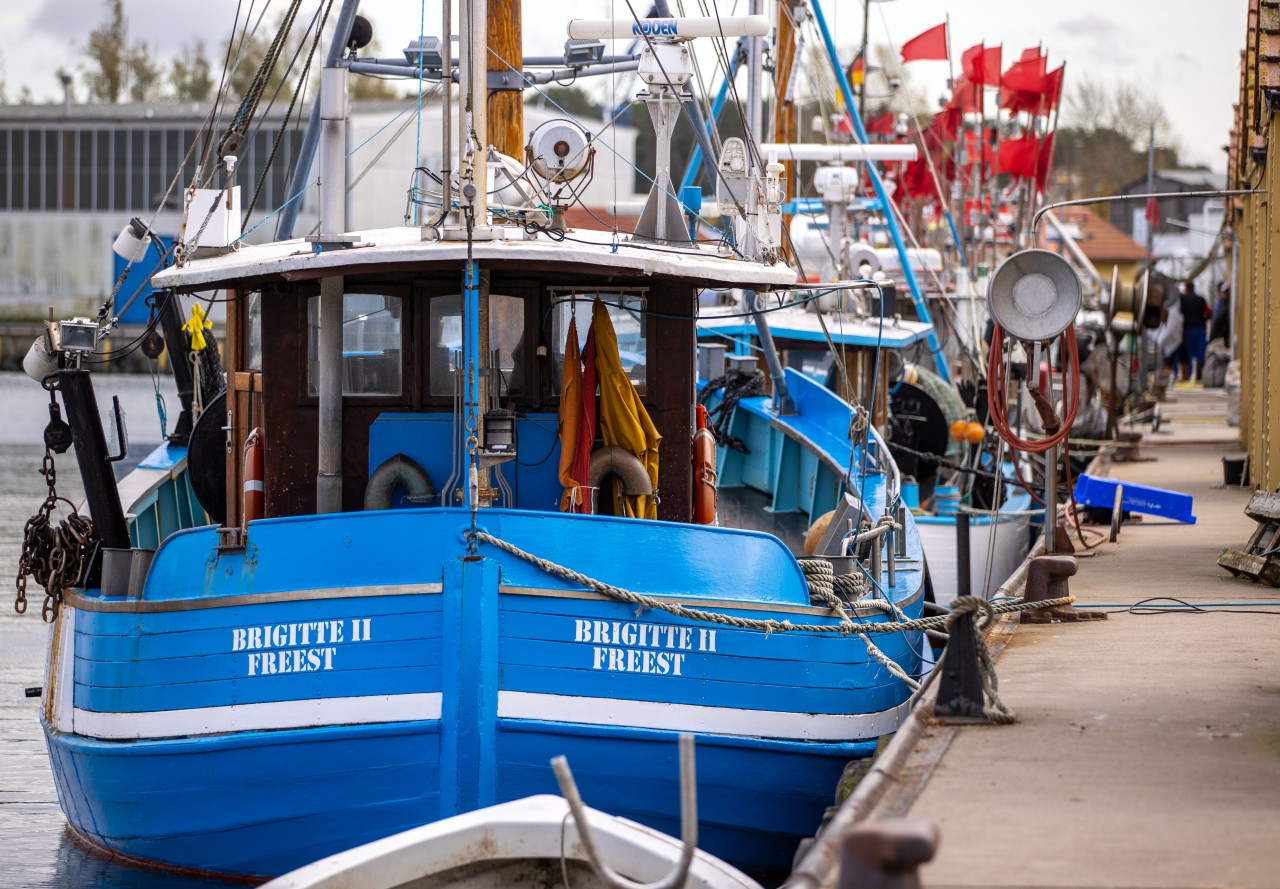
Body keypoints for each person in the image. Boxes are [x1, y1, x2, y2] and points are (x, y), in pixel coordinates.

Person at [1175, 282, 1209, 380]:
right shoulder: (1201, 299)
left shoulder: (1182, 299)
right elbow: (1208, 313)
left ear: (1186, 288)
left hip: (1187, 329)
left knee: (1188, 353)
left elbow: (1178, 314)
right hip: (1200, 329)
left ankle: (1188, 376)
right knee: (1200, 353)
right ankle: (1200, 375)